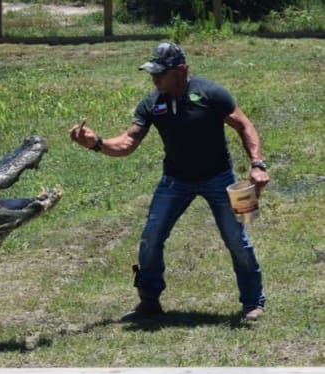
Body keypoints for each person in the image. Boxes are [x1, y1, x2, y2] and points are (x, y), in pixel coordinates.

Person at [69, 42, 269, 321]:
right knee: (151, 238)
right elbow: (127, 143)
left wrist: (257, 163)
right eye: (153, 72)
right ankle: (149, 301)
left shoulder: (211, 93)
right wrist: (96, 143)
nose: (155, 78)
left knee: (238, 239)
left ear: (182, 70)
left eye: (160, 73)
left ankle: (253, 303)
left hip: (220, 178)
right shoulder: (152, 104)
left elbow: (244, 125)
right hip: (175, 180)